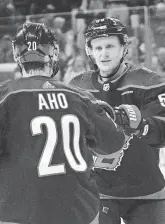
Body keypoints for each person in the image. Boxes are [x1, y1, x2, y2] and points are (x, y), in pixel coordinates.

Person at [0, 22, 125, 224]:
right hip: (78, 212)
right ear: (54, 53)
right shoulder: (82, 97)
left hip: (18, 213)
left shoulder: (4, 97)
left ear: (17, 56)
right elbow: (114, 143)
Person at [69, 17, 165, 224]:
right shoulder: (78, 86)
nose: (104, 53)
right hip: (98, 191)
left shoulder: (149, 82)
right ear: (90, 51)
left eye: (110, 46)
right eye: (98, 47)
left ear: (123, 48)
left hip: (145, 191)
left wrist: (141, 126)